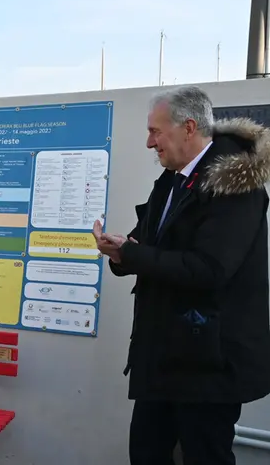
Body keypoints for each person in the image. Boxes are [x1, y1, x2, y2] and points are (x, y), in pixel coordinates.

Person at [93, 86, 270, 465]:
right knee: (147, 452)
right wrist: (121, 253)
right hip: (163, 356)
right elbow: (152, 243)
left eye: (156, 132)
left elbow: (210, 269)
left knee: (205, 455)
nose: (148, 143)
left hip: (209, 364)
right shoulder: (173, 180)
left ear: (188, 127)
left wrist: (134, 252)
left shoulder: (235, 186)